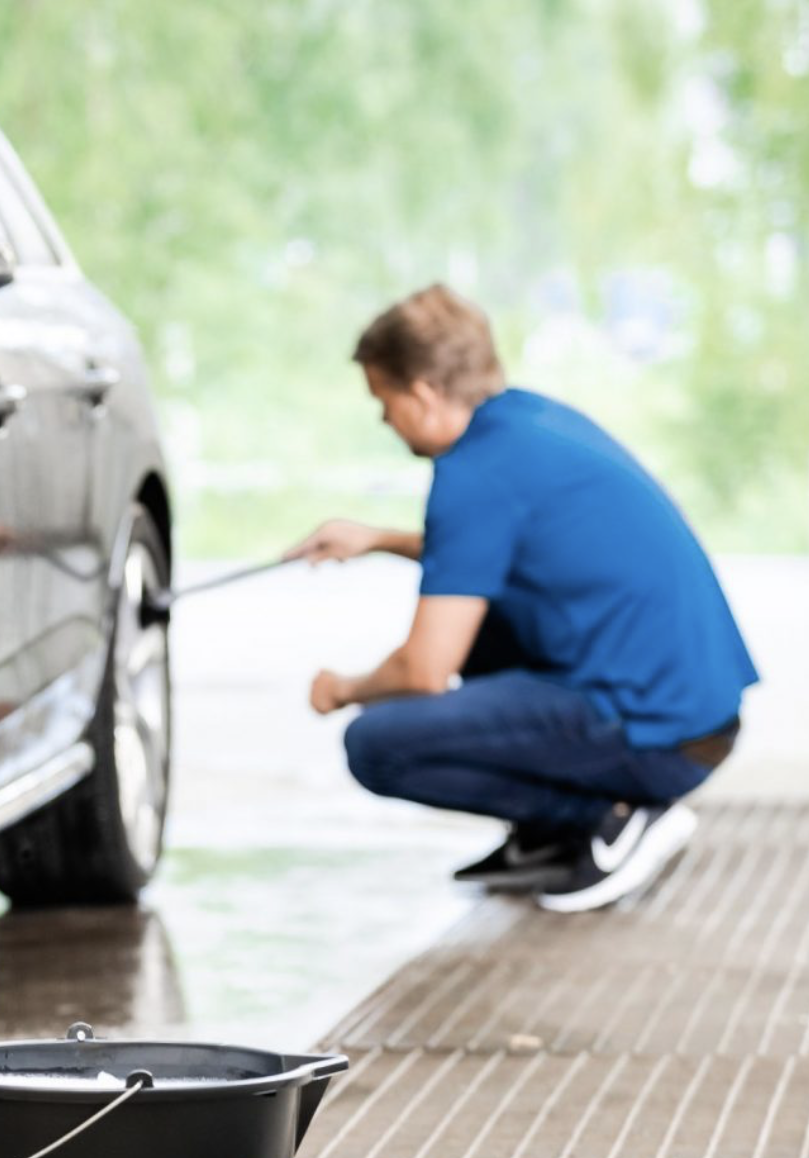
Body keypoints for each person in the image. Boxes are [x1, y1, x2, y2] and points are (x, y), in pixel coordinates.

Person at [286, 284, 758, 913]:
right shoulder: (526, 423)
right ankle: (554, 832)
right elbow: (486, 548)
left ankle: (607, 815)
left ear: (423, 394)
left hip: (657, 737)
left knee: (375, 744)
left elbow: (424, 672)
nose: (384, 420)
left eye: (385, 401)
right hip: (696, 714)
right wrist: (375, 539)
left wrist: (341, 688)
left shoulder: (472, 476)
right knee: (484, 615)